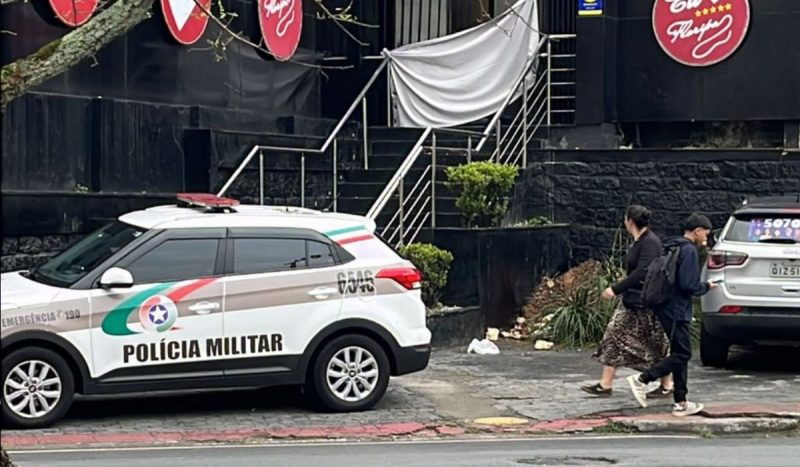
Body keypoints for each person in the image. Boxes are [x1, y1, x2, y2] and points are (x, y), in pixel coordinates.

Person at [627, 213, 718, 416]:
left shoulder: (670, 246)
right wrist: (705, 286)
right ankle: (643, 379)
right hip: (677, 310)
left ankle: (681, 402)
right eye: (706, 234)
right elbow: (688, 285)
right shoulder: (688, 251)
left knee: (679, 353)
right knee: (683, 353)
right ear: (697, 230)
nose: (706, 238)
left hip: (664, 306)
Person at [581, 205, 673, 398]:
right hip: (632, 300)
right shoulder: (639, 241)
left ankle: (667, 384)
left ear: (629, 221)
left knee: (657, 342)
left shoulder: (650, 242)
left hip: (647, 301)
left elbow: (642, 272)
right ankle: (605, 384)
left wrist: (615, 289)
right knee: (613, 333)